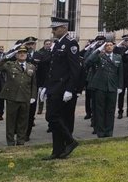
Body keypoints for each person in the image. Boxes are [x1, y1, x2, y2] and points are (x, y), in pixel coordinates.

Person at [42, 17, 81, 160]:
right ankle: (57, 150)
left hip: (63, 87)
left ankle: (69, 142)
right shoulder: (58, 44)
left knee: (54, 117)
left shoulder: (71, 44)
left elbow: (75, 69)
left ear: (64, 28)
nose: (53, 31)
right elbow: (52, 68)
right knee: (53, 118)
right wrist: (45, 87)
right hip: (54, 87)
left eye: (55, 28)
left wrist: (70, 89)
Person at [87, 41, 123, 138]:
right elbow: (88, 61)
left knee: (110, 110)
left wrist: (120, 86)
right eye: (107, 45)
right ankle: (101, 132)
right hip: (100, 87)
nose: (109, 47)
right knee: (100, 110)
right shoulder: (99, 56)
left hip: (112, 87)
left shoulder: (118, 57)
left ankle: (109, 131)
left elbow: (120, 74)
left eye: (111, 45)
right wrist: (98, 50)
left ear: (114, 46)